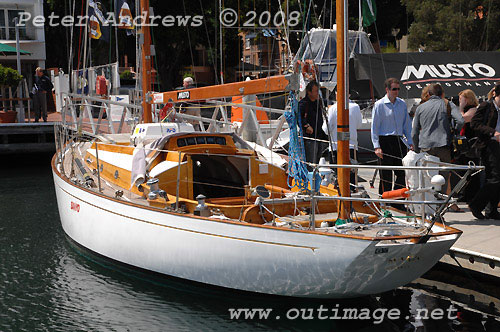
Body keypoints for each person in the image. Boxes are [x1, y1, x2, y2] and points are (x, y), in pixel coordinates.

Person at [412, 83, 464, 193]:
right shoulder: (448, 104)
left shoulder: (420, 108)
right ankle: (440, 203)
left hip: (426, 148)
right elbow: (460, 121)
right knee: (443, 178)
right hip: (443, 146)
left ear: (429, 94)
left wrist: (417, 150)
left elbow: (414, 133)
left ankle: (429, 205)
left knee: (427, 178)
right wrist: (454, 132)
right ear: (442, 93)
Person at [371, 78, 413, 197]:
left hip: (398, 140)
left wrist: (410, 142)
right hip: (384, 140)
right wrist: (376, 146)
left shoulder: (402, 104)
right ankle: (385, 199)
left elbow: (407, 125)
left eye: (398, 89)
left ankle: (396, 198)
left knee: (401, 173)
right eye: (394, 89)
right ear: (387, 89)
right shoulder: (379, 105)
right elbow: (374, 127)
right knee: (386, 174)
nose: (396, 92)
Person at [468, 82, 500, 220]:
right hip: (489, 145)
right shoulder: (486, 106)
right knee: (495, 178)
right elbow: (474, 123)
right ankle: (476, 204)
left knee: (496, 179)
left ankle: (492, 210)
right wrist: (493, 133)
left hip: (498, 146)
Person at [322, 91, 363, 184]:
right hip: (352, 147)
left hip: (336, 148)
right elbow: (359, 125)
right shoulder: (356, 107)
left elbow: (326, 129)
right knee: (351, 178)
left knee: (337, 177)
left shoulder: (333, 108)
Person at [449, 89, 480, 203]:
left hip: (471, 144)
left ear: (467, 99)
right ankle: (464, 193)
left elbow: (463, 119)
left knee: (471, 170)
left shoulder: (473, 110)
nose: (459, 101)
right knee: (463, 170)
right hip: (463, 144)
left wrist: (460, 108)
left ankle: (471, 194)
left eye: (461, 99)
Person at [300, 81, 328, 167]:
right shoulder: (303, 104)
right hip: (310, 138)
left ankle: (315, 176)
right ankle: (310, 177)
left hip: (319, 136)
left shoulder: (318, 103)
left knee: (317, 161)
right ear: (309, 92)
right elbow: (299, 119)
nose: (317, 93)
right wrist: (306, 126)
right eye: (316, 91)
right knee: (311, 162)